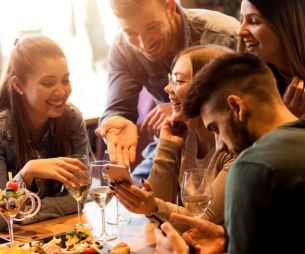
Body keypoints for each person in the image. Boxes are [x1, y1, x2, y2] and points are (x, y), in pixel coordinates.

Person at [154, 53, 305, 254]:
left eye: (215, 128)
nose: (219, 147)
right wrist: (226, 238)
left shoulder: (254, 165)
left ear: (236, 107)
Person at [95, 0, 239, 174]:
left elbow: (250, 104)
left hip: (223, 144)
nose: (144, 44)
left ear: (170, 7)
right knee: (133, 194)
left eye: (152, 27)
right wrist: (115, 120)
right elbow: (117, 110)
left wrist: (187, 108)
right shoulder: (123, 49)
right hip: (172, 139)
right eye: (131, 33)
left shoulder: (222, 36)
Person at [110, 44, 234, 226]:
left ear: (209, 89)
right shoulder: (184, 134)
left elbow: (206, 221)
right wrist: (167, 146)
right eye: (171, 79)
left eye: (179, 81)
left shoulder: (234, 147)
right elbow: (156, 213)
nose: (168, 88)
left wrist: (153, 206)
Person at [0, 34, 89, 230]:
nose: (61, 92)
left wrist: (20, 215)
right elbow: (0, 218)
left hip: (54, 234)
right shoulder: (1, 129)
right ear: (18, 85)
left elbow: (79, 198)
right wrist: (27, 172)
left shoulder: (72, 118)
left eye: (65, 81)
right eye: (48, 83)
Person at [238, 0, 305, 117]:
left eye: (254, 21)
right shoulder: (250, 82)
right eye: (241, 20)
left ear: (287, 25)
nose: (240, 32)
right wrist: (289, 119)